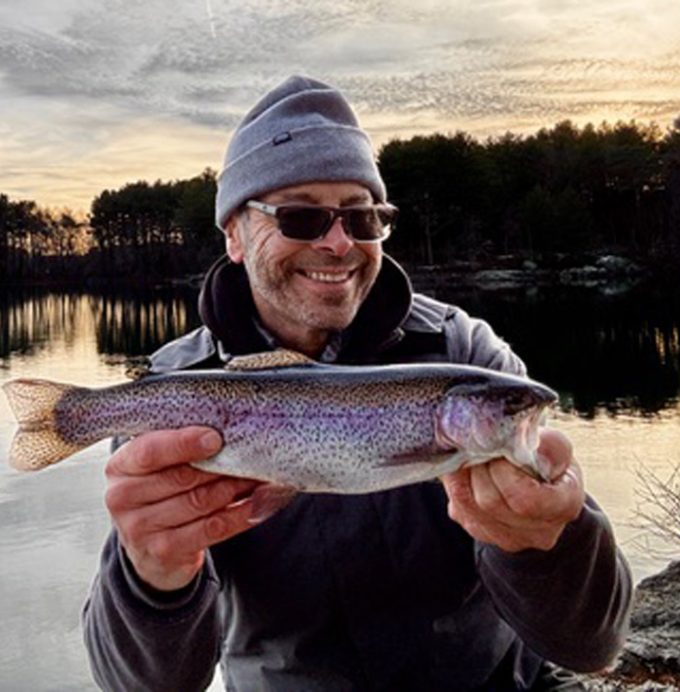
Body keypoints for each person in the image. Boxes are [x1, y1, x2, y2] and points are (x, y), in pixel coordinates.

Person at [82, 75, 632, 691]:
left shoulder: (464, 352)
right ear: (234, 233)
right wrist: (153, 576)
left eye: (362, 217)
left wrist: (549, 542)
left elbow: (592, 644)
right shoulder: (175, 396)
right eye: (301, 217)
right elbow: (145, 687)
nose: (339, 242)